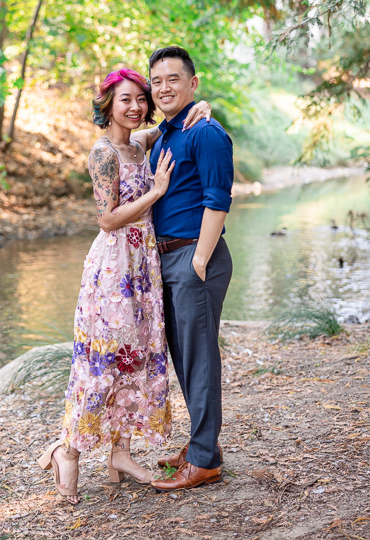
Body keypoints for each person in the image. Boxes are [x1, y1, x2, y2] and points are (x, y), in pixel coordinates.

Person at [37, 68, 211, 504]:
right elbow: (107, 219)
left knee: (137, 357)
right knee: (102, 361)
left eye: (140, 99)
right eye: (124, 101)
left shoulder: (139, 142)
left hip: (143, 264)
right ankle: (67, 450)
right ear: (107, 105)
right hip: (114, 267)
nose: (135, 107)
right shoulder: (102, 154)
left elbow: (172, 122)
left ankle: (119, 454)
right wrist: (157, 192)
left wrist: (204, 108)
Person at [148, 46, 234, 492]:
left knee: (200, 360)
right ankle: (205, 447)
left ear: (192, 83)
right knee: (184, 357)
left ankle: (204, 461)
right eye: (157, 80)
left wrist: (199, 258)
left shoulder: (207, 132)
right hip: (168, 259)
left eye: (173, 79)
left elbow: (218, 197)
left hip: (194, 258)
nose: (164, 87)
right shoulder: (165, 135)